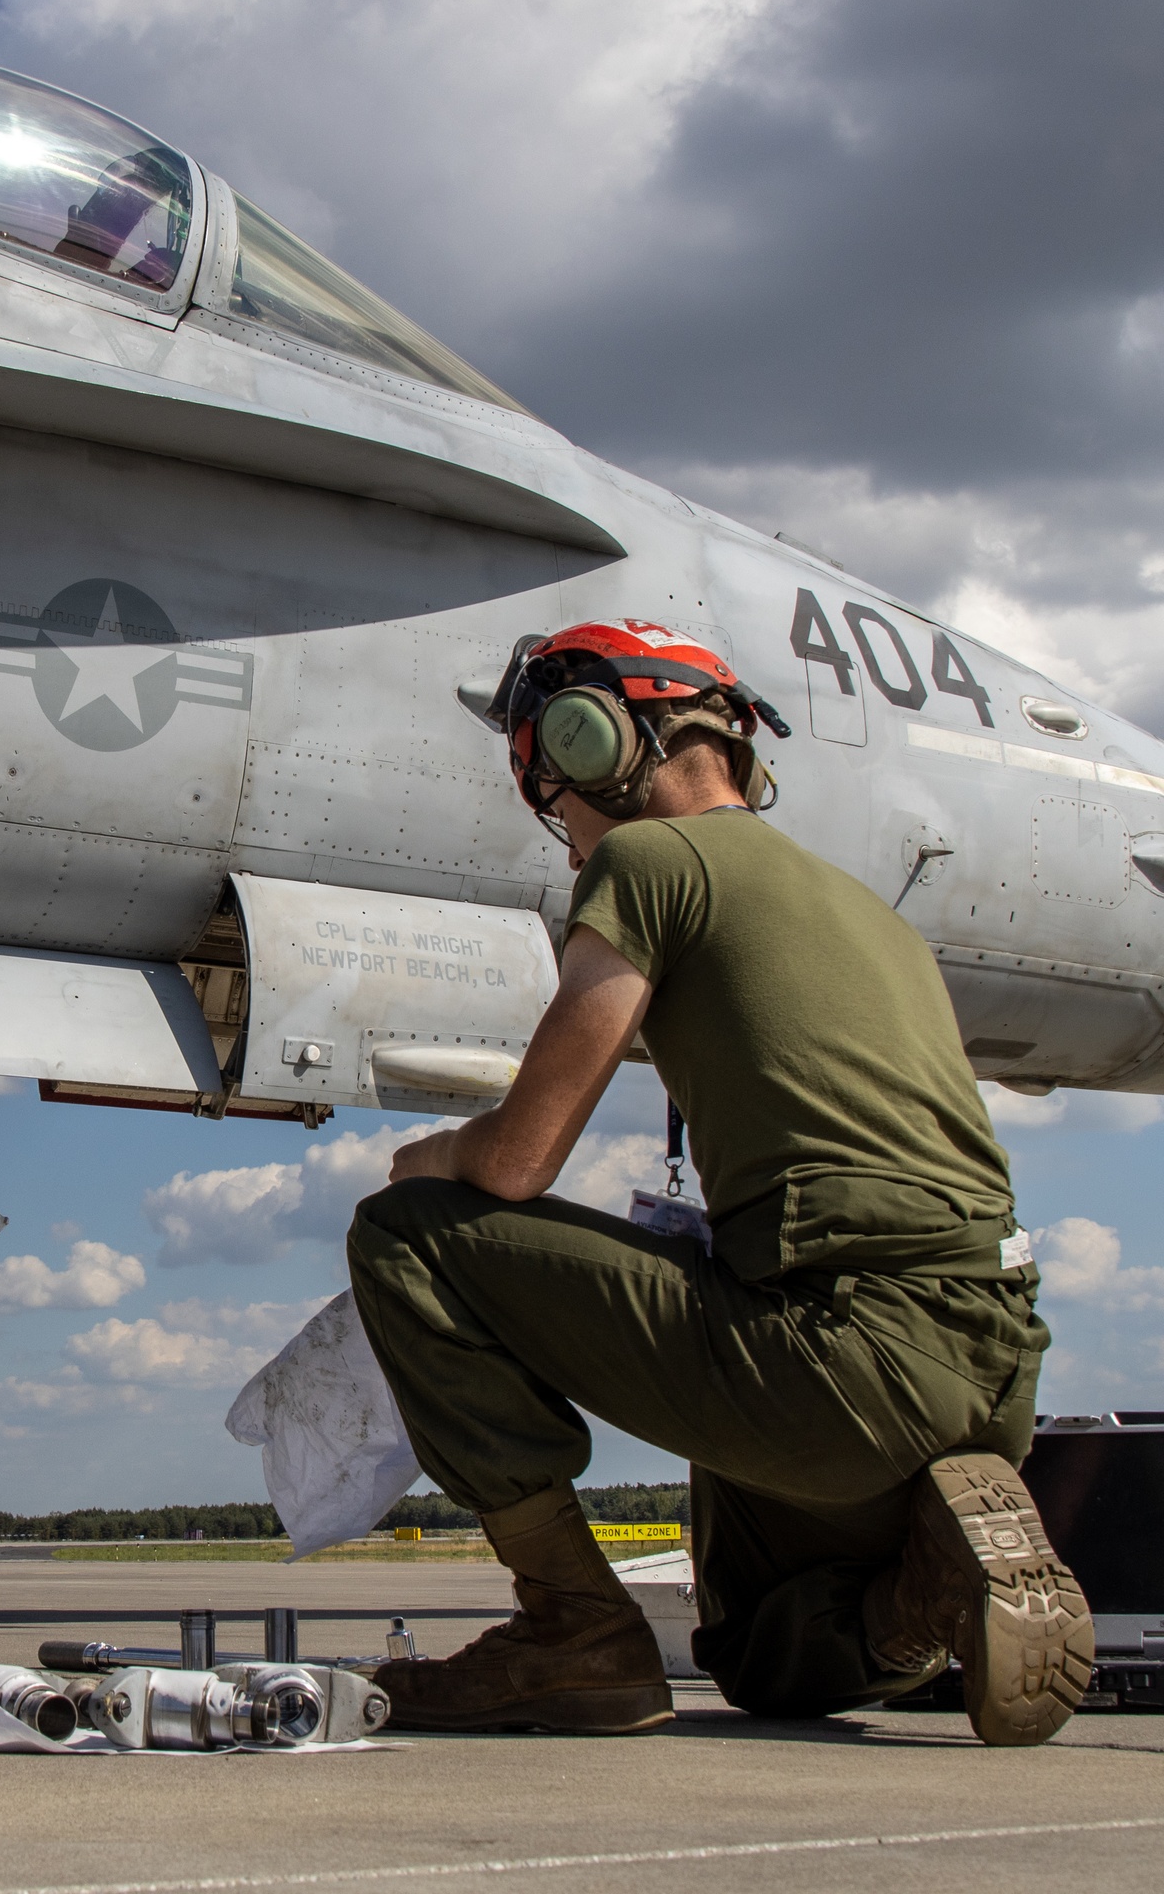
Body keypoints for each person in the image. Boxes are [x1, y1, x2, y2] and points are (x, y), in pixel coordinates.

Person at [349, 620, 1094, 1747]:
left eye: (557, 797)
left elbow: (517, 1160)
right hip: (987, 1375)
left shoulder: (645, 861)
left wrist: (434, 1154)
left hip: (840, 1359)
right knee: (757, 1656)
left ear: (591, 738)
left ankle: (572, 1631)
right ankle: (917, 1597)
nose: (565, 844)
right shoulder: (877, 917)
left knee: (405, 1232)